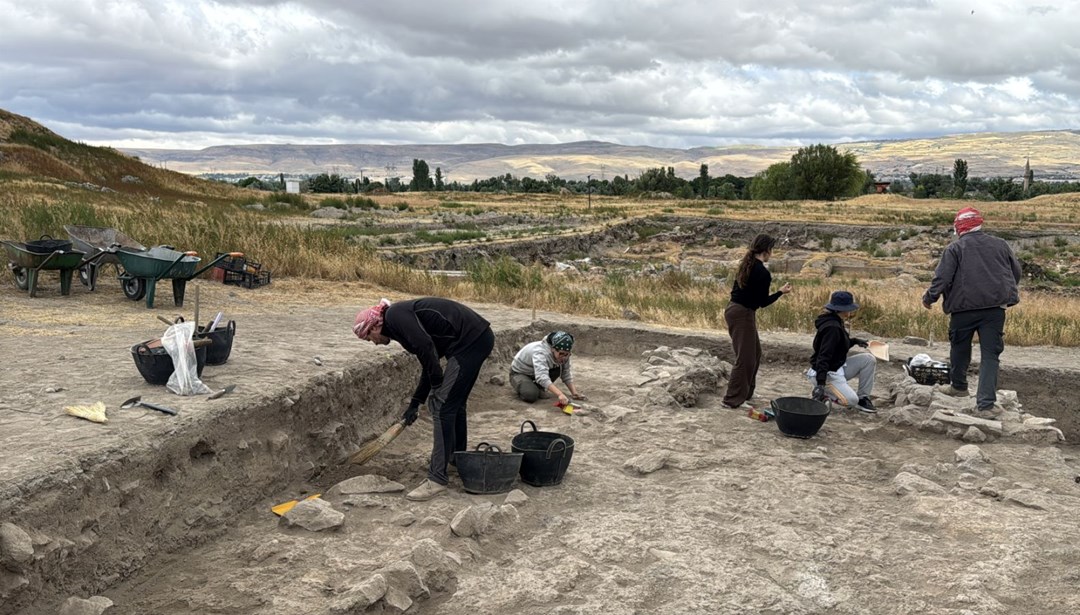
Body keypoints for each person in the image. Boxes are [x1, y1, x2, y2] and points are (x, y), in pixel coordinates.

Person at [353, 296, 495, 501]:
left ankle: (437, 479)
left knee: (442, 407)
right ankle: (457, 459)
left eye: (369, 338)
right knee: (454, 404)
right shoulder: (398, 323)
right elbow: (429, 359)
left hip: (470, 342)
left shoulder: (394, 316)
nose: (373, 343)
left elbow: (426, 348)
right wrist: (415, 403)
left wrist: (437, 385)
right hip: (476, 338)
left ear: (374, 327)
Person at [922, 206, 1021, 415]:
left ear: (959, 227)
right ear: (979, 224)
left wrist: (930, 297)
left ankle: (959, 387)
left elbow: (942, 278)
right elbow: (1015, 272)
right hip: (994, 310)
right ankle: (985, 405)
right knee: (990, 355)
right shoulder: (1000, 244)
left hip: (963, 309)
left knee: (959, 348)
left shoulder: (955, 249)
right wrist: (1002, 292)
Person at [722, 233, 792, 409]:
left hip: (735, 310)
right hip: (743, 313)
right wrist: (780, 292)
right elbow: (762, 302)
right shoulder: (762, 272)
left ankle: (745, 394)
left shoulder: (746, 264)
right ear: (767, 250)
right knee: (745, 358)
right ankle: (732, 400)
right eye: (772, 249)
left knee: (754, 354)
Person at [807, 290, 877, 413]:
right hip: (827, 374)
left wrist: (855, 341)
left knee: (868, 359)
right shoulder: (832, 328)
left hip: (837, 368)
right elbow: (824, 356)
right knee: (851, 401)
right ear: (842, 309)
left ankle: (863, 398)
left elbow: (838, 346)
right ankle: (825, 395)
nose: (851, 311)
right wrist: (820, 384)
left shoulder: (836, 320)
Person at [510, 331, 586, 407]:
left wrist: (574, 393)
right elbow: (541, 376)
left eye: (566, 354)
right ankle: (525, 386)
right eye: (561, 353)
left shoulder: (564, 354)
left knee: (558, 369)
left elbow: (565, 372)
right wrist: (560, 394)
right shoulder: (540, 352)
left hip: (535, 372)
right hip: (520, 372)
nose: (563, 357)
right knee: (530, 395)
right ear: (553, 349)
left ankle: (537, 387)